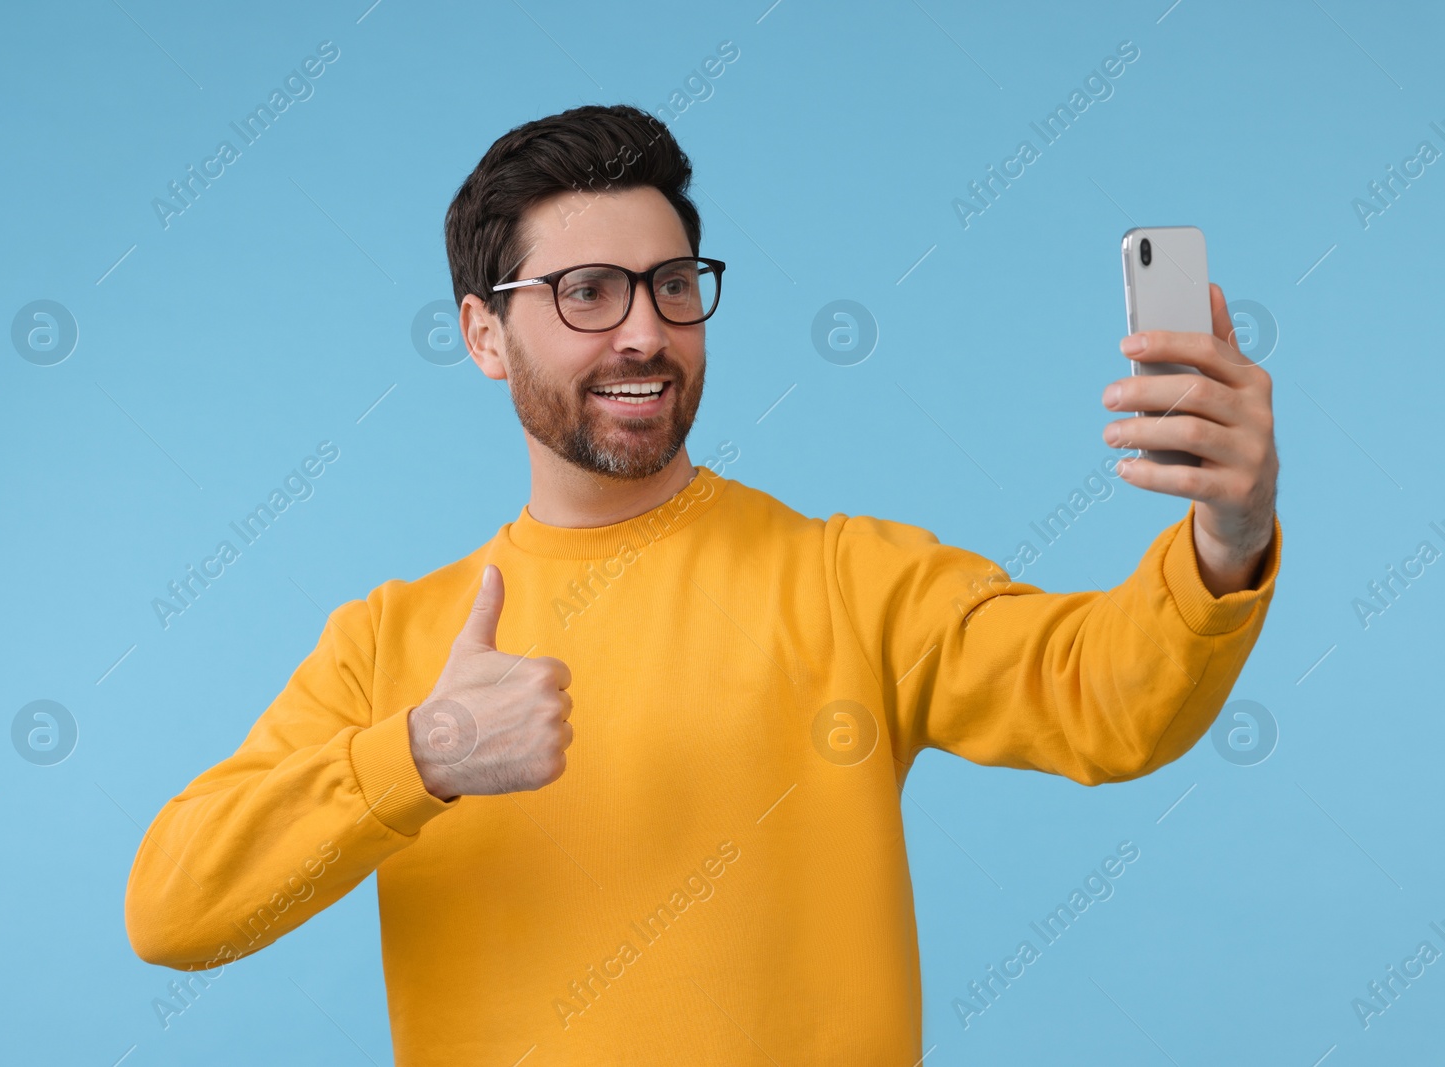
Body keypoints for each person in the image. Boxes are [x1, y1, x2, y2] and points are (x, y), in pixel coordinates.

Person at [124, 103, 1281, 1064]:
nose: (643, 332)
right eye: (586, 291)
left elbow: (1111, 699)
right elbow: (174, 909)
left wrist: (1228, 531)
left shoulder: (849, 581)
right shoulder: (391, 644)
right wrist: (415, 756)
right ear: (485, 334)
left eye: (671, 283)